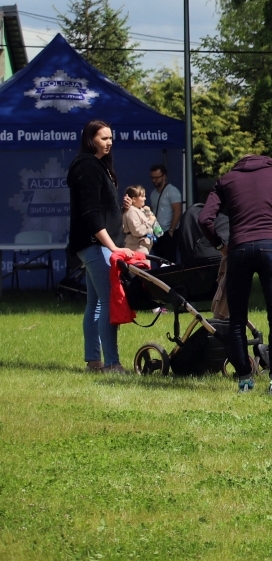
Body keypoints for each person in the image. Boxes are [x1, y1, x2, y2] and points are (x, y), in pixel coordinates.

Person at [200, 153, 272, 394]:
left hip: (239, 248)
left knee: (236, 319)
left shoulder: (226, 180)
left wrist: (221, 245)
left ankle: (245, 377)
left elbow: (204, 219)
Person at [67, 120, 129, 373]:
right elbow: (90, 213)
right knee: (107, 302)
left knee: (95, 303)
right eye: (103, 138)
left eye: (111, 138)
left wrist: (120, 208)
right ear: (90, 139)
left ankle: (94, 361)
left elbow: (100, 208)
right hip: (96, 245)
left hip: (95, 244)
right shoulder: (88, 166)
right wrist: (113, 247)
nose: (109, 142)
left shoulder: (97, 166)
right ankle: (112, 363)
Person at [147, 164, 183, 263]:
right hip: (157, 231)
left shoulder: (172, 191)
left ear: (164, 176)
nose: (154, 180)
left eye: (157, 178)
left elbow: (177, 211)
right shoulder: (153, 193)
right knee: (159, 259)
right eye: (152, 178)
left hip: (168, 231)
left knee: (169, 260)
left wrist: (171, 230)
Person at [120, 186, 155, 254]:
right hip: (137, 248)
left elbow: (158, 231)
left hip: (145, 248)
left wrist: (150, 214)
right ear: (134, 199)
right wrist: (150, 221)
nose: (145, 198)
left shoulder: (143, 210)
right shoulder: (131, 211)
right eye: (142, 196)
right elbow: (137, 231)